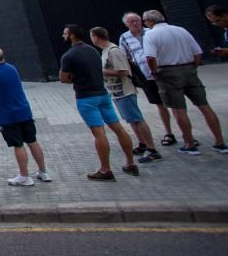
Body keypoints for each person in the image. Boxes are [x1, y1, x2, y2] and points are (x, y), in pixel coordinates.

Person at [60, 24, 139, 180]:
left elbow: (64, 78)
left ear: (72, 35)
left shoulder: (68, 56)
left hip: (86, 97)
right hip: (103, 94)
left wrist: (74, 78)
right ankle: (131, 163)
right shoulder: (93, 51)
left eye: (65, 33)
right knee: (118, 128)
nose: (63, 36)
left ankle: (105, 169)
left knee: (99, 133)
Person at [142, 10, 227, 154]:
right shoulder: (180, 30)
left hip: (168, 72)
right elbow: (197, 52)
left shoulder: (150, 34)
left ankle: (190, 144)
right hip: (189, 69)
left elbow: (150, 57)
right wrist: (194, 66)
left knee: (178, 109)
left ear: (150, 21)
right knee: (204, 106)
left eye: (145, 21)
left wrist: (154, 71)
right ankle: (220, 142)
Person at [0, 47, 51, 186]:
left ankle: (24, 176)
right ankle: (43, 172)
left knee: (18, 145)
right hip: (24, 111)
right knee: (32, 141)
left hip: (9, 115)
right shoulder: (12, 68)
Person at [91, 26, 162, 163]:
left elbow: (124, 71)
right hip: (116, 91)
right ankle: (142, 144)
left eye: (92, 36)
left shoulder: (113, 51)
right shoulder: (105, 51)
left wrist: (102, 71)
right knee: (131, 119)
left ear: (96, 37)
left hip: (125, 91)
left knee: (137, 118)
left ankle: (152, 149)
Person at [120, 12, 176, 146]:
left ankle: (176, 133)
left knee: (174, 102)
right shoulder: (124, 37)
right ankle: (168, 132)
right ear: (126, 24)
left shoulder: (151, 32)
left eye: (137, 20)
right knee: (159, 104)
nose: (135, 23)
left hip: (161, 72)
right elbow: (124, 56)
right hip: (146, 76)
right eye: (131, 22)